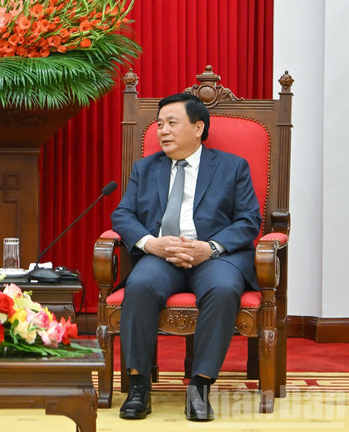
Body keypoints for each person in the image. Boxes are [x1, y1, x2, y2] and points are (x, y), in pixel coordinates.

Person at [111, 92, 261, 421]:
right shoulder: (145, 168)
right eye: (159, 124)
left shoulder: (232, 167)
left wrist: (210, 247)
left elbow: (249, 220)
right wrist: (151, 244)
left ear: (198, 127)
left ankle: (200, 385)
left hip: (214, 256)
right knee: (140, 284)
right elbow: (123, 215)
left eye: (172, 123)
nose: (162, 130)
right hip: (161, 255)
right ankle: (138, 386)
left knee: (223, 289)